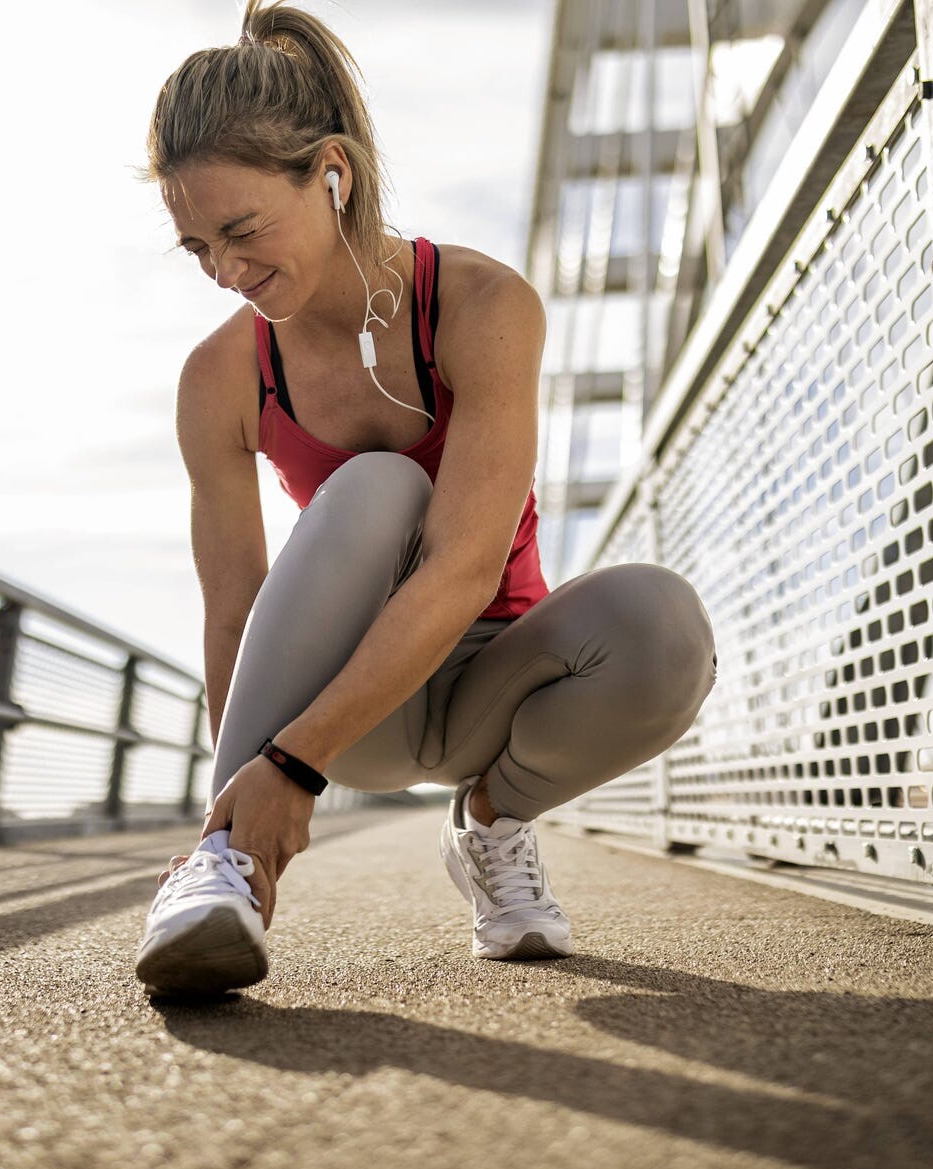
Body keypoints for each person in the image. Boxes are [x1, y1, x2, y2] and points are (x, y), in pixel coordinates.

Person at [134, 0, 718, 998]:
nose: (224, 272)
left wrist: (293, 767)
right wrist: (243, 800)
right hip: (356, 706)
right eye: (197, 249)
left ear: (332, 172)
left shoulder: (485, 306)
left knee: (664, 623)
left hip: (499, 680)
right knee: (376, 487)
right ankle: (217, 869)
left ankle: (491, 823)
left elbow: (465, 568)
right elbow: (234, 612)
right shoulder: (218, 378)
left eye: (240, 230)